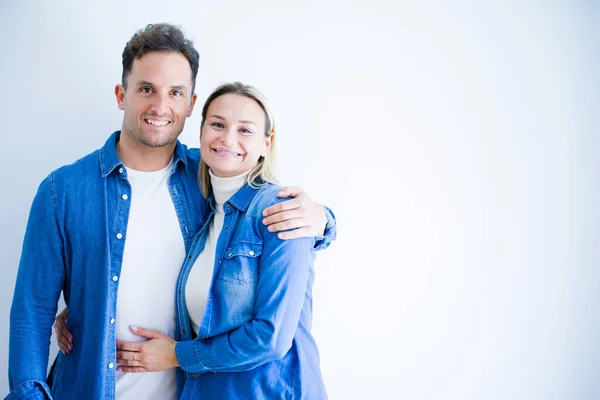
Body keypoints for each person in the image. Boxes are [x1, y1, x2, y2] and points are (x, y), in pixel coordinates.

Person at [8, 24, 335, 400]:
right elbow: (31, 312)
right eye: (146, 89)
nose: (160, 107)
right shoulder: (62, 191)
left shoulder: (207, 180)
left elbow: (269, 209)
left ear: (191, 105)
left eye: (175, 93)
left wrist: (323, 218)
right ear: (121, 94)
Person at [112, 81, 328, 399]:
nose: (227, 139)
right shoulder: (207, 213)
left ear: (266, 143)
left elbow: (270, 338)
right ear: (201, 133)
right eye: (218, 124)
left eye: (245, 130)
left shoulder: (281, 211)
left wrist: (176, 355)